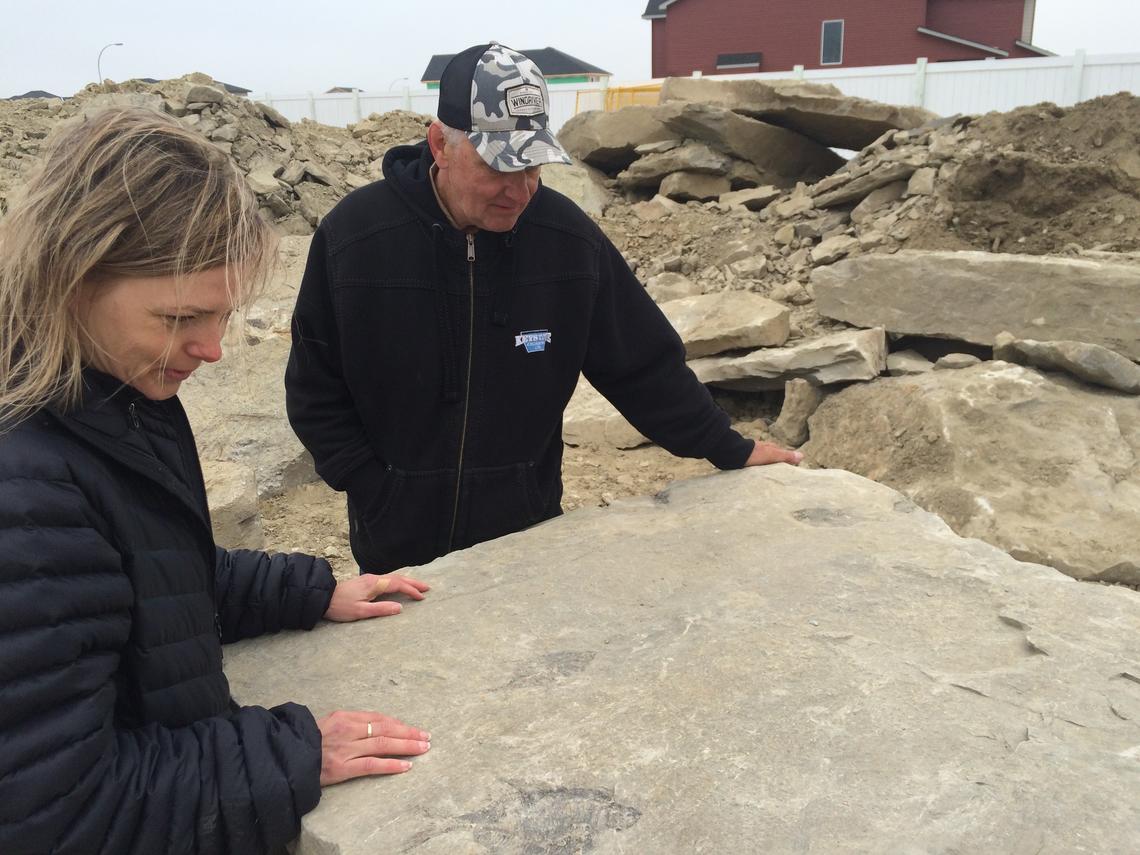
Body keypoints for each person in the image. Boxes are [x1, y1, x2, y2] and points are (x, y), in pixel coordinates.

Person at [0, 107, 432, 855]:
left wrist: (307, 592)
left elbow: (146, 580)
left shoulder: (108, 390)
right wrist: (290, 752)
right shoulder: (24, 482)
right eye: (181, 317)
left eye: (224, 316)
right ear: (72, 276)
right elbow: (55, 813)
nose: (212, 349)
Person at [285, 43, 801, 576]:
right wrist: (373, 484)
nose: (519, 190)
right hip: (394, 546)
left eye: (532, 166)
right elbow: (314, 385)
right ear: (440, 144)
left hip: (527, 537)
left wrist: (728, 447)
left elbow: (642, 365)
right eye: (498, 167)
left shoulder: (567, 240)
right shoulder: (356, 238)